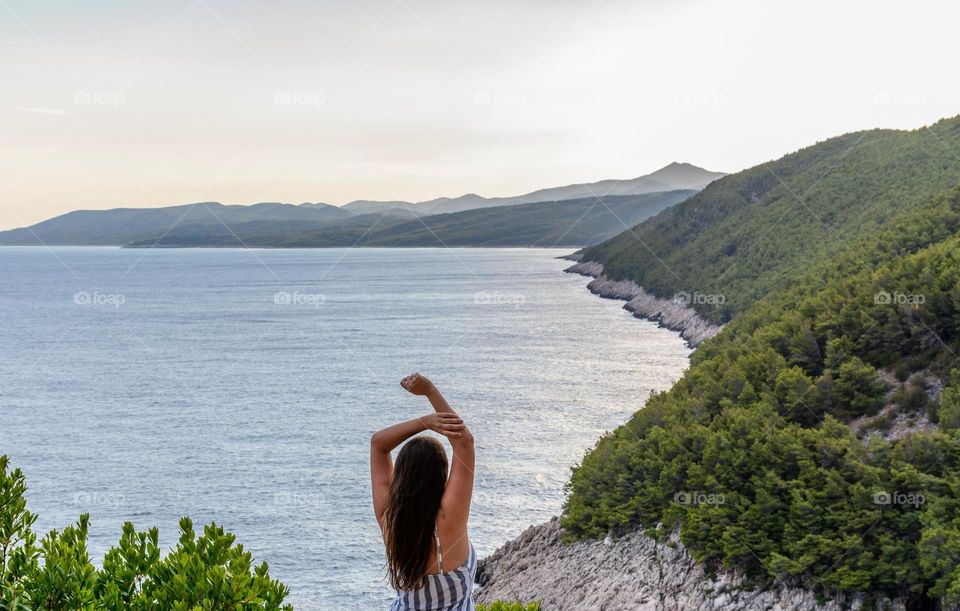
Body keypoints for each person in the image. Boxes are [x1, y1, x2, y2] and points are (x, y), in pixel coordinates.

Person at [370, 373, 476, 610]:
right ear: (440, 476)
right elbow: (464, 442)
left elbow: (378, 444)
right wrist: (429, 390)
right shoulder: (450, 520)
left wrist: (425, 422)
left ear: (400, 476)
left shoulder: (389, 518)